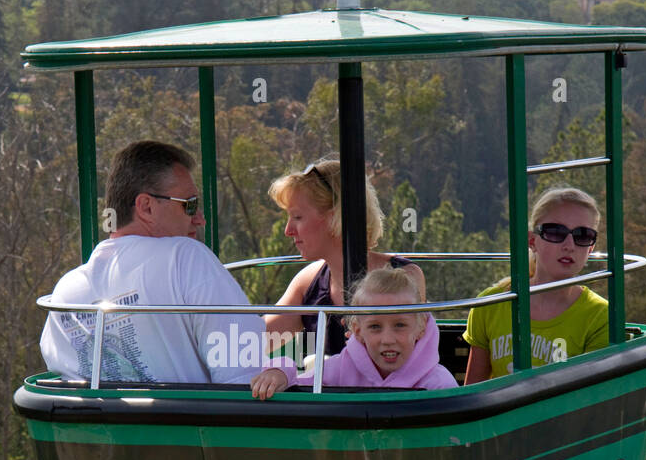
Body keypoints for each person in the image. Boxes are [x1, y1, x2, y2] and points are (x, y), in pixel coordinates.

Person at [40, 140, 266, 385]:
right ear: (146, 207)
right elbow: (245, 376)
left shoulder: (64, 292)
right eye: (190, 205)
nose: (200, 219)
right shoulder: (185, 258)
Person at [266, 158, 426, 357]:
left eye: (297, 217)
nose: (288, 231)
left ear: (335, 217)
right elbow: (256, 339)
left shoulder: (404, 277)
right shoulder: (307, 282)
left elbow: (412, 358)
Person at [464, 186, 609, 383]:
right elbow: (474, 392)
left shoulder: (600, 317)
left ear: (590, 247)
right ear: (532, 240)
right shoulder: (490, 305)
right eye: (556, 232)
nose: (569, 245)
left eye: (582, 235)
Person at [252, 267, 457, 397]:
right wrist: (279, 372)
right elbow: (300, 383)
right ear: (358, 331)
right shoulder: (341, 368)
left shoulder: (438, 384)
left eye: (400, 325)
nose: (387, 339)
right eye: (375, 327)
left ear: (420, 328)